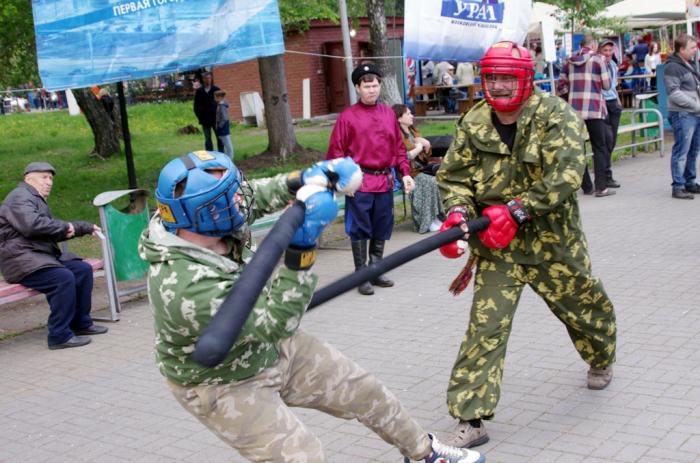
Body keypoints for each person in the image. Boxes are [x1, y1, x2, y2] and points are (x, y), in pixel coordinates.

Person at [139, 150, 484, 463]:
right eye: (231, 198)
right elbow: (277, 320)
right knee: (302, 457)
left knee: (365, 390)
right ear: (208, 214)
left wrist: (311, 176)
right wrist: (302, 247)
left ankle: (425, 453)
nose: (241, 201)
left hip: (271, 348)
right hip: (224, 382)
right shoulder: (183, 286)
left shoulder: (201, 217)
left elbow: (257, 194)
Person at [436, 41, 617, 449]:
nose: (498, 86)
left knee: (584, 309)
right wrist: (459, 214)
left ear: (526, 79)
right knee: (486, 328)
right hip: (498, 250)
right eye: (491, 78)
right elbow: (454, 177)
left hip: (554, 245)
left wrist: (518, 210)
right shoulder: (474, 121)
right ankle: (471, 416)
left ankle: (602, 355)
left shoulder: (555, 116)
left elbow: (568, 173)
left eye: (507, 78)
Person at [326, 63, 415, 296]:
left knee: (381, 226)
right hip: (360, 182)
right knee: (359, 229)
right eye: (366, 86)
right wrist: (343, 182)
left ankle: (376, 269)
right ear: (357, 88)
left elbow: (398, 147)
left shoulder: (387, 114)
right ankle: (361, 274)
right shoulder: (347, 117)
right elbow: (336, 153)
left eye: (375, 85)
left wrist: (404, 173)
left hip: (384, 181)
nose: (372, 90)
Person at [0, 162, 106, 349]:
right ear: (28, 178)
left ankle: (80, 323)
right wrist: (68, 227)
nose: (48, 182)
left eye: (50, 178)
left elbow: (49, 230)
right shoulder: (19, 197)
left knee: (81, 270)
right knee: (62, 278)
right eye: (43, 177)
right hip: (20, 261)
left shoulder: (34, 198)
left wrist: (82, 227)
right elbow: (32, 226)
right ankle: (59, 335)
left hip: (37, 258)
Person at [558, 34, 615, 197]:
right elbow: (607, 85)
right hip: (595, 108)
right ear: (593, 44)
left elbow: (561, 85)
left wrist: (572, 95)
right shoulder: (599, 60)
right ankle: (601, 187)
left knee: (578, 148)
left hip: (575, 111)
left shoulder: (568, 61)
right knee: (599, 147)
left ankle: (587, 186)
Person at [393, 104, 444, 233]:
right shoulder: (396, 135)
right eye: (408, 114)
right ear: (399, 118)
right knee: (429, 182)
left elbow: (424, 156)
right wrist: (419, 147)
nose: (412, 116)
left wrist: (426, 144)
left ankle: (437, 216)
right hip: (405, 173)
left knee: (440, 178)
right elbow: (404, 157)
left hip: (419, 169)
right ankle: (426, 220)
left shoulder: (412, 132)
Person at [663, 33, 700, 199]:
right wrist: (695, 104)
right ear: (681, 49)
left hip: (695, 113)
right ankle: (678, 186)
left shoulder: (690, 64)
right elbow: (673, 93)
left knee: (693, 150)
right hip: (683, 114)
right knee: (682, 151)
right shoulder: (672, 67)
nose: (695, 50)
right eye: (692, 47)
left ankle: (689, 182)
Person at [599, 39, 623, 189]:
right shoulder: (597, 65)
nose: (608, 53)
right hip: (603, 103)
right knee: (606, 140)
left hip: (613, 103)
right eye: (605, 50)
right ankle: (605, 174)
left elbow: (613, 85)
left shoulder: (613, 65)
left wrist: (618, 101)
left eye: (610, 50)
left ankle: (607, 172)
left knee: (612, 139)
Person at [193, 71, 224, 152]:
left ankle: (221, 154)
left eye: (209, 78)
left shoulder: (216, 90)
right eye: (206, 78)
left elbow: (222, 104)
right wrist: (200, 116)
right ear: (203, 80)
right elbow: (196, 106)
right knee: (207, 138)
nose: (208, 80)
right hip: (205, 119)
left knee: (219, 137)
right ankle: (210, 154)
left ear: (211, 79)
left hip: (215, 118)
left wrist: (220, 116)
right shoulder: (199, 91)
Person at [214, 90, 234, 159]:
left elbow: (225, 118)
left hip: (223, 129)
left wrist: (220, 126)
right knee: (226, 145)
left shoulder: (222, 106)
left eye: (215, 97)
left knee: (229, 147)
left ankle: (230, 161)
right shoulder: (220, 105)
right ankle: (226, 159)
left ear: (220, 97)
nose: (214, 98)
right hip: (222, 128)